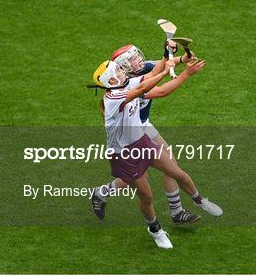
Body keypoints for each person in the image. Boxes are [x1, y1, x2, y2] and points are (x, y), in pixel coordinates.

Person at [92, 54, 221, 248]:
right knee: (146, 196)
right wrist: (185, 72)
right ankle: (155, 230)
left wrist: (171, 60)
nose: (122, 70)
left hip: (142, 142)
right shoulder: (113, 98)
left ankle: (199, 200)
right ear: (111, 81)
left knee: (176, 171)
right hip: (125, 155)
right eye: (118, 70)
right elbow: (145, 87)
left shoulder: (125, 83)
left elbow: (153, 77)